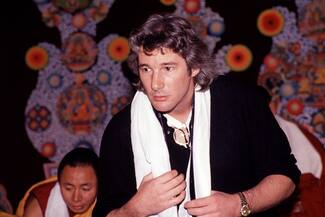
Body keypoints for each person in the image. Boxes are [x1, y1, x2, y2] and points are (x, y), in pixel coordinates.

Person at [93, 13, 300, 217]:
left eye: (168, 68)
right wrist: (135, 210)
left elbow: (286, 176)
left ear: (194, 67)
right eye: (146, 69)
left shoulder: (239, 102)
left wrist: (238, 204)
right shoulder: (122, 129)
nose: (155, 84)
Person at [22, 148, 98, 217]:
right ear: (59, 182)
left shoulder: (107, 201)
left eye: (85, 189)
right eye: (68, 188)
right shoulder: (42, 203)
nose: (76, 198)